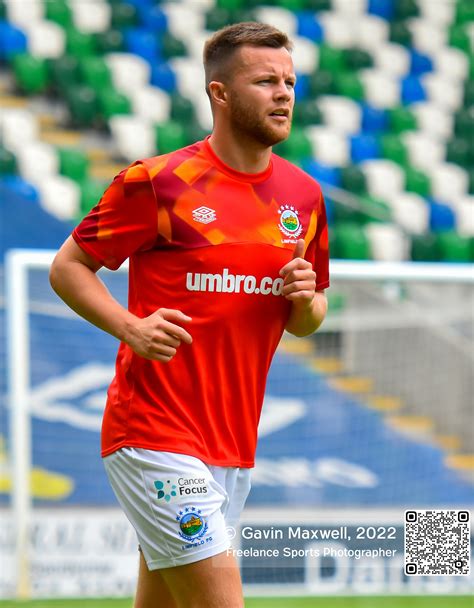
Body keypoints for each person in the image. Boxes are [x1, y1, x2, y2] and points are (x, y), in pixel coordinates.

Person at [50, 21, 329, 608]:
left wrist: (306, 299)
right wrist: (130, 326)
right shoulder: (158, 183)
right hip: (152, 432)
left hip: (231, 445)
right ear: (220, 94)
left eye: (289, 81)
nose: (283, 93)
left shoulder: (304, 198)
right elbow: (68, 267)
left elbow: (308, 320)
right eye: (265, 81)